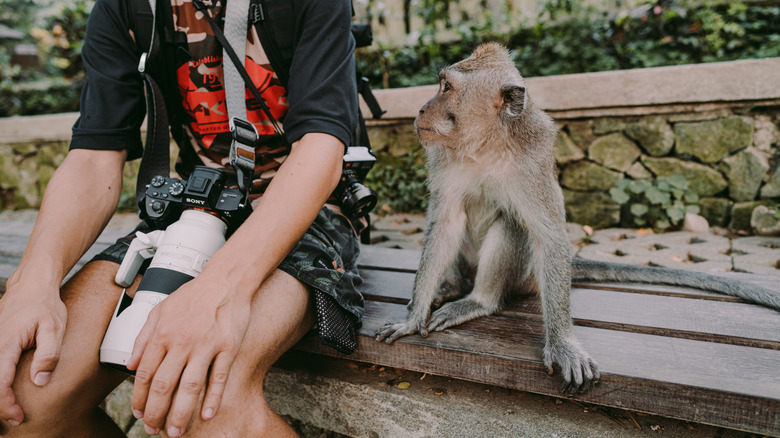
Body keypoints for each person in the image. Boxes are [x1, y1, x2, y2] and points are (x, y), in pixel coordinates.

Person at [0, 0, 364, 436]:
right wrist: (32, 284)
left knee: (203, 398)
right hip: (197, 203)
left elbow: (322, 149)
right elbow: (95, 156)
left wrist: (218, 289)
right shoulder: (124, 7)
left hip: (306, 207)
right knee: (27, 402)